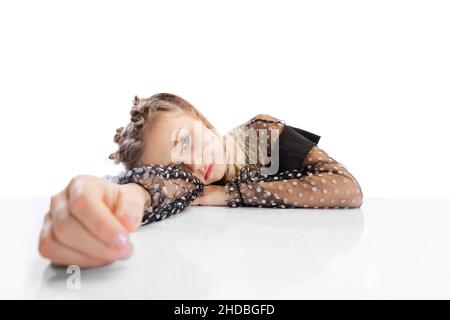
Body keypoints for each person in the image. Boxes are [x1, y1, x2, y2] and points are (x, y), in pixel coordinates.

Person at [39, 93, 363, 267]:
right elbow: (160, 187)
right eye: (177, 166)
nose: (193, 162)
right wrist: (127, 193)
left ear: (201, 119)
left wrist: (234, 195)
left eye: (185, 140)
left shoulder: (261, 134)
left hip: (319, 257)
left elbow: (347, 188)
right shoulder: (194, 181)